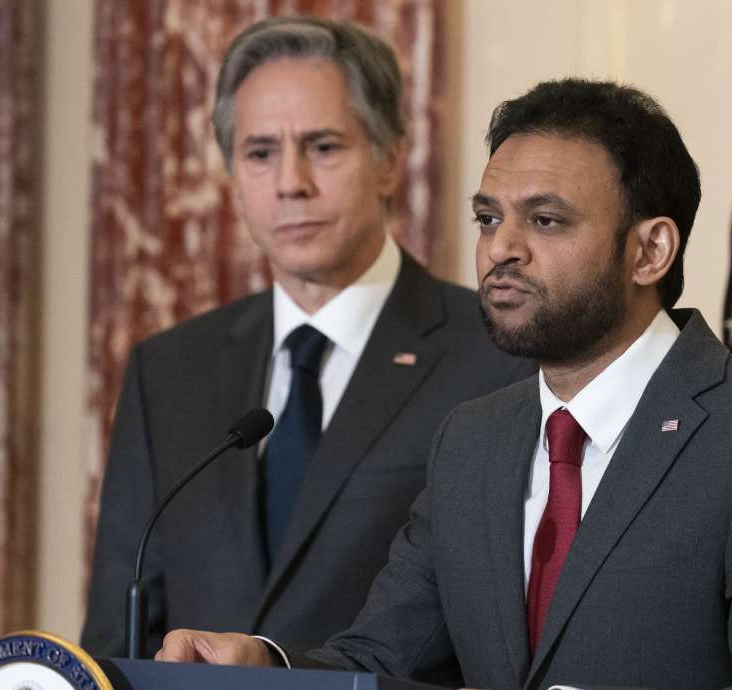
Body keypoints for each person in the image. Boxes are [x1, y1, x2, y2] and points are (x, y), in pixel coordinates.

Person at [154, 79, 732, 689]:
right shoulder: (471, 439)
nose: (500, 248)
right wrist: (263, 665)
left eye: (546, 220)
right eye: (488, 218)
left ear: (650, 250)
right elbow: (380, 661)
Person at [81, 17, 533, 657]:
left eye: (322, 147)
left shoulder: (497, 354)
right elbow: (118, 638)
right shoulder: (170, 370)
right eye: (260, 153)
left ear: (389, 161)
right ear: (232, 176)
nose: (290, 182)